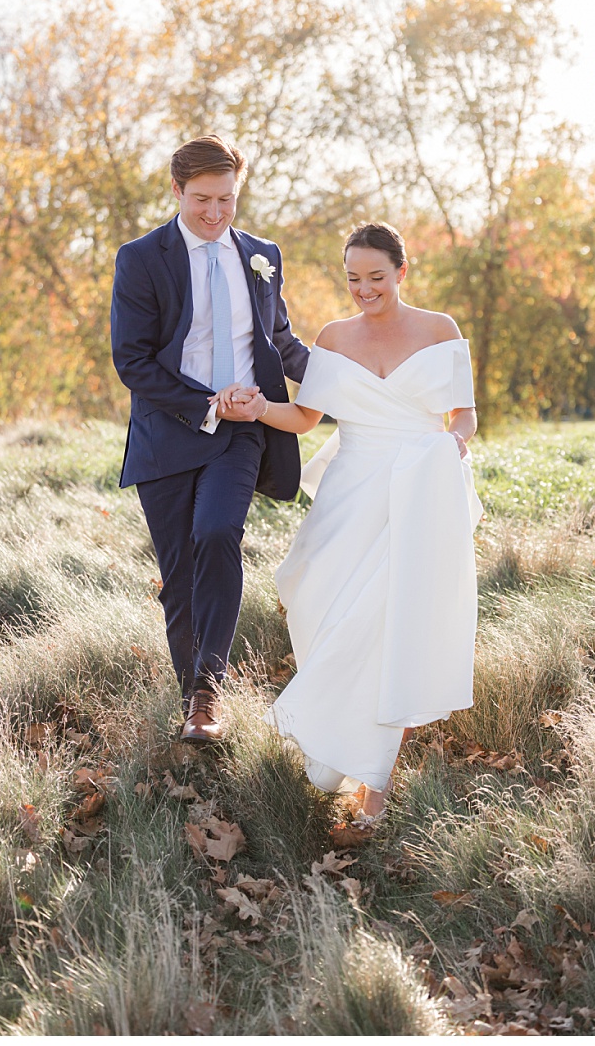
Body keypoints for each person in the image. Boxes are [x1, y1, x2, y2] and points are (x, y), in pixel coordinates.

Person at [218, 222, 482, 828]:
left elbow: (464, 418)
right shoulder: (334, 337)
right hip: (350, 495)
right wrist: (260, 409)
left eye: (377, 278)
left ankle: (376, 789)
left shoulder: (441, 331)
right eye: (354, 279)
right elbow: (307, 418)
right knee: (322, 610)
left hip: (417, 495)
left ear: (401, 272)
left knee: (392, 632)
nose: (365, 290)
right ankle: (335, 744)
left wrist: (451, 450)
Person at [110, 135, 310, 744]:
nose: (216, 213)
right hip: (167, 435)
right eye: (202, 200)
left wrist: (354, 368)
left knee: (219, 531)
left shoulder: (263, 255)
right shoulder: (142, 258)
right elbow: (133, 361)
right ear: (176, 191)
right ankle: (191, 695)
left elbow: (279, 340)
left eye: (227, 199)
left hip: (241, 432)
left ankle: (207, 694)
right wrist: (203, 403)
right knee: (179, 577)